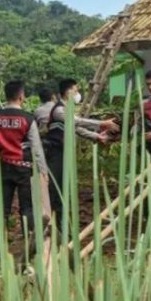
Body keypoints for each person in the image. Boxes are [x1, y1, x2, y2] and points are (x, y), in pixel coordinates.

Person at [0, 80, 50, 259]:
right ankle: (31, 247)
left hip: (2, 167)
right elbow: (36, 148)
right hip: (23, 169)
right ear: (21, 96)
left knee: (2, 209)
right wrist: (43, 171)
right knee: (27, 208)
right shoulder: (27, 118)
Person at [42, 78, 118, 222]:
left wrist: (97, 137)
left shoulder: (65, 110)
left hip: (64, 153)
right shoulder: (59, 110)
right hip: (56, 153)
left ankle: (63, 220)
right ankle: (55, 222)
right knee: (57, 187)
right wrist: (102, 124)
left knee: (65, 186)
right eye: (76, 91)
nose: (78, 94)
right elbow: (77, 121)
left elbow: (77, 129)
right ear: (68, 92)